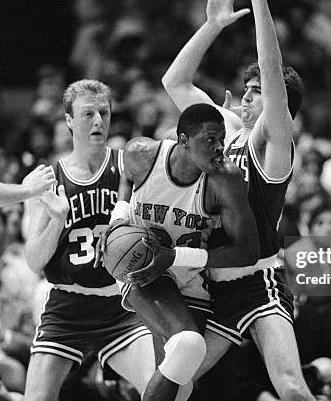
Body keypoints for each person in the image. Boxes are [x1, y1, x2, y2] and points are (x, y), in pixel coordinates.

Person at [161, 0, 312, 399]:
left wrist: (259, 1)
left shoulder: (272, 146)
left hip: (257, 281)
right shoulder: (222, 131)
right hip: (214, 286)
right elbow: (174, 82)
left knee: (291, 388)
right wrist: (212, 25)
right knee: (172, 384)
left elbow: (271, 69)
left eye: (257, 91)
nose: (247, 96)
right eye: (246, 89)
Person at [95, 103, 260, 401]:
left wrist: (175, 257)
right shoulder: (141, 154)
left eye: (221, 139)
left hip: (189, 276)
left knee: (181, 386)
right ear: (183, 141)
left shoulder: (225, 178)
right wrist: (117, 221)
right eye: (209, 140)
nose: (219, 147)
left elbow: (247, 251)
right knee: (189, 344)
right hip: (142, 267)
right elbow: (127, 181)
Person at [22, 79, 155, 401]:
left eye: (104, 113)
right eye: (87, 114)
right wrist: (57, 219)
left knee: (167, 392)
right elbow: (33, 261)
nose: (98, 121)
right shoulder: (47, 180)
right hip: (67, 307)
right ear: (68, 120)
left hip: (120, 305)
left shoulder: (129, 166)